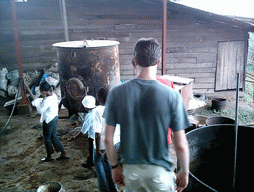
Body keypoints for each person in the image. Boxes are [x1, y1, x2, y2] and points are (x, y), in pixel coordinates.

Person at [104, 38, 190, 192]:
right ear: (158, 61)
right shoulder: (172, 95)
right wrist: (184, 170)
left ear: (135, 60)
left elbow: (107, 139)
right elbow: (180, 144)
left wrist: (115, 167)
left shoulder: (116, 92)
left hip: (130, 174)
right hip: (160, 175)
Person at [32, 81, 68, 162]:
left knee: (46, 138)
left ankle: (49, 156)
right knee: (53, 136)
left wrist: (38, 100)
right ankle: (63, 152)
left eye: (41, 91)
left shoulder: (47, 100)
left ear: (44, 91)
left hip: (48, 120)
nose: (41, 92)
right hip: (54, 117)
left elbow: (40, 111)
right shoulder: (54, 95)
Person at [93, 87, 120, 192]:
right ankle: (114, 188)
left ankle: (104, 188)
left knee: (98, 163)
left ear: (99, 98)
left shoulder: (97, 111)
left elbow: (98, 133)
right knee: (110, 164)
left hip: (104, 144)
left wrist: (98, 149)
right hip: (116, 142)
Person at [67, 95, 97, 169]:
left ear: (85, 107)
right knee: (96, 151)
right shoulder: (98, 110)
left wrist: (74, 137)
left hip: (93, 137)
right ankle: (90, 163)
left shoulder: (89, 116)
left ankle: (94, 166)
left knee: (92, 151)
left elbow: (83, 131)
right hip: (102, 134)